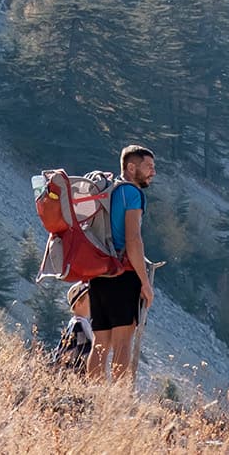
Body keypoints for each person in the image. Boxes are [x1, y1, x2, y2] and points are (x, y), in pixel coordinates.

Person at [86, 145, 156, 382]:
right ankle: (116, 398)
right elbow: (133, 239)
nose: (153, 172)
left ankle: (94, 394)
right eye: (148, 167)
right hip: (123, 273)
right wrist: (145, 283)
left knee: (100, 343)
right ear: (131, 167)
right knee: (123, 342)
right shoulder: (132, 193)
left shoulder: (108, 191)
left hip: (99, 273)